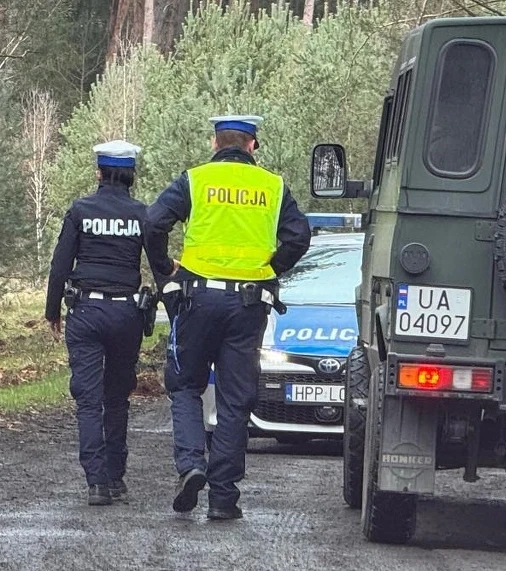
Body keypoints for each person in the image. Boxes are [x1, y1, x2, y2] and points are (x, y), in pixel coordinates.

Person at [144, 115, 311, 520]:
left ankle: (191, 465)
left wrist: (164, 267)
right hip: (248, 304)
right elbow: (299, 237)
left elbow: (153, 222)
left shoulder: (195, 180)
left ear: (214, 143)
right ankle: (223, 498)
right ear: (252, 146)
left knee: (185, 385)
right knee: (235, 399)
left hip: (196, 300)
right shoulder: (272, 186)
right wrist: (270, 269)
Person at [46, 140, 150, 507]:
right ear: (131, 175)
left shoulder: (80, 211)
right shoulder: (142, 214)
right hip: (126, 314)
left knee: (88, 400)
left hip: (86, 313)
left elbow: (61, 264)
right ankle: (116, 476)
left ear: (98, 173)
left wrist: (52, 311)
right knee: (117, 397)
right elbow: (158, 264)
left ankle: (96, 483)